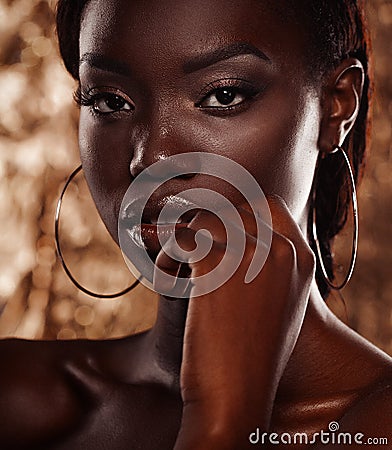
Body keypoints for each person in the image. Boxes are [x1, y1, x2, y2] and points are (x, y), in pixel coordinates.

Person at [1, 0, 391, 449]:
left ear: (336, 107)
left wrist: (226, 420)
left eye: (223, 95)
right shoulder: (17, 399)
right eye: (111, 101)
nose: (150, 158)